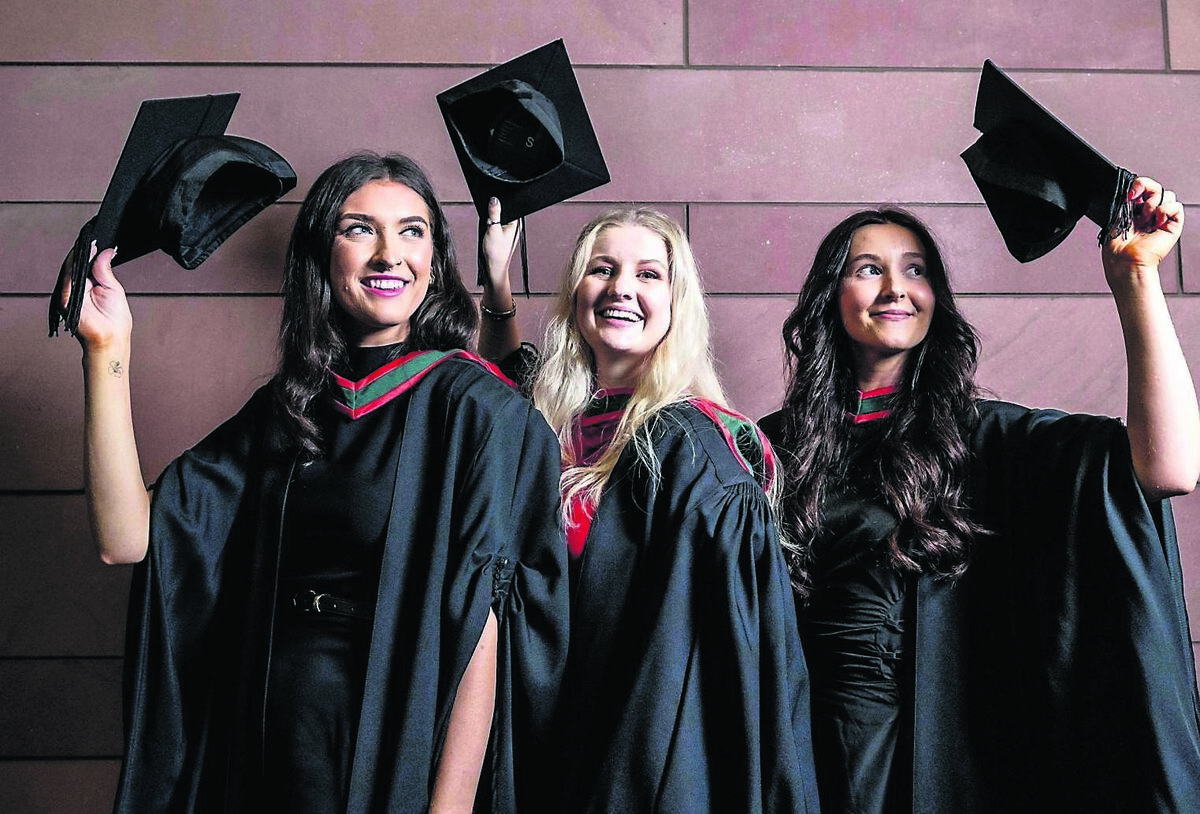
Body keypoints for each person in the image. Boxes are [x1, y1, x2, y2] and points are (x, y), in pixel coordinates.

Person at [62, 152, 567, 813]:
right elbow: (126, 539)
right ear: (322, 255)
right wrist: (106, 351)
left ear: (436, 260)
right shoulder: (289, 407)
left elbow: (483, 629)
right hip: (268, 731)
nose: (389, 254)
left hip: (393, 737)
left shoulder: (478, 410)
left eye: (412, 231)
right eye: (360, 229)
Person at [760, 178, 1200, 813]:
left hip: (949, 764)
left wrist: (1136, 277)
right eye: (868, 269)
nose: (896, 288)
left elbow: (1168, 468)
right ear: (831, 294)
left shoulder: (991, 441)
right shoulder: (766, 448)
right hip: (799, 753)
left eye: (916, 270)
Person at [479, 200, 819, 812]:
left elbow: (713, 662)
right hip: (541, 734)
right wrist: (498, 283)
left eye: (648, 274)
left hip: (630, 750)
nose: (620, 288)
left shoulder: (694, 450)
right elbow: (505, 377)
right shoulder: (551, 422)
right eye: (601, 269)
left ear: (676, 303)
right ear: (576, 291)